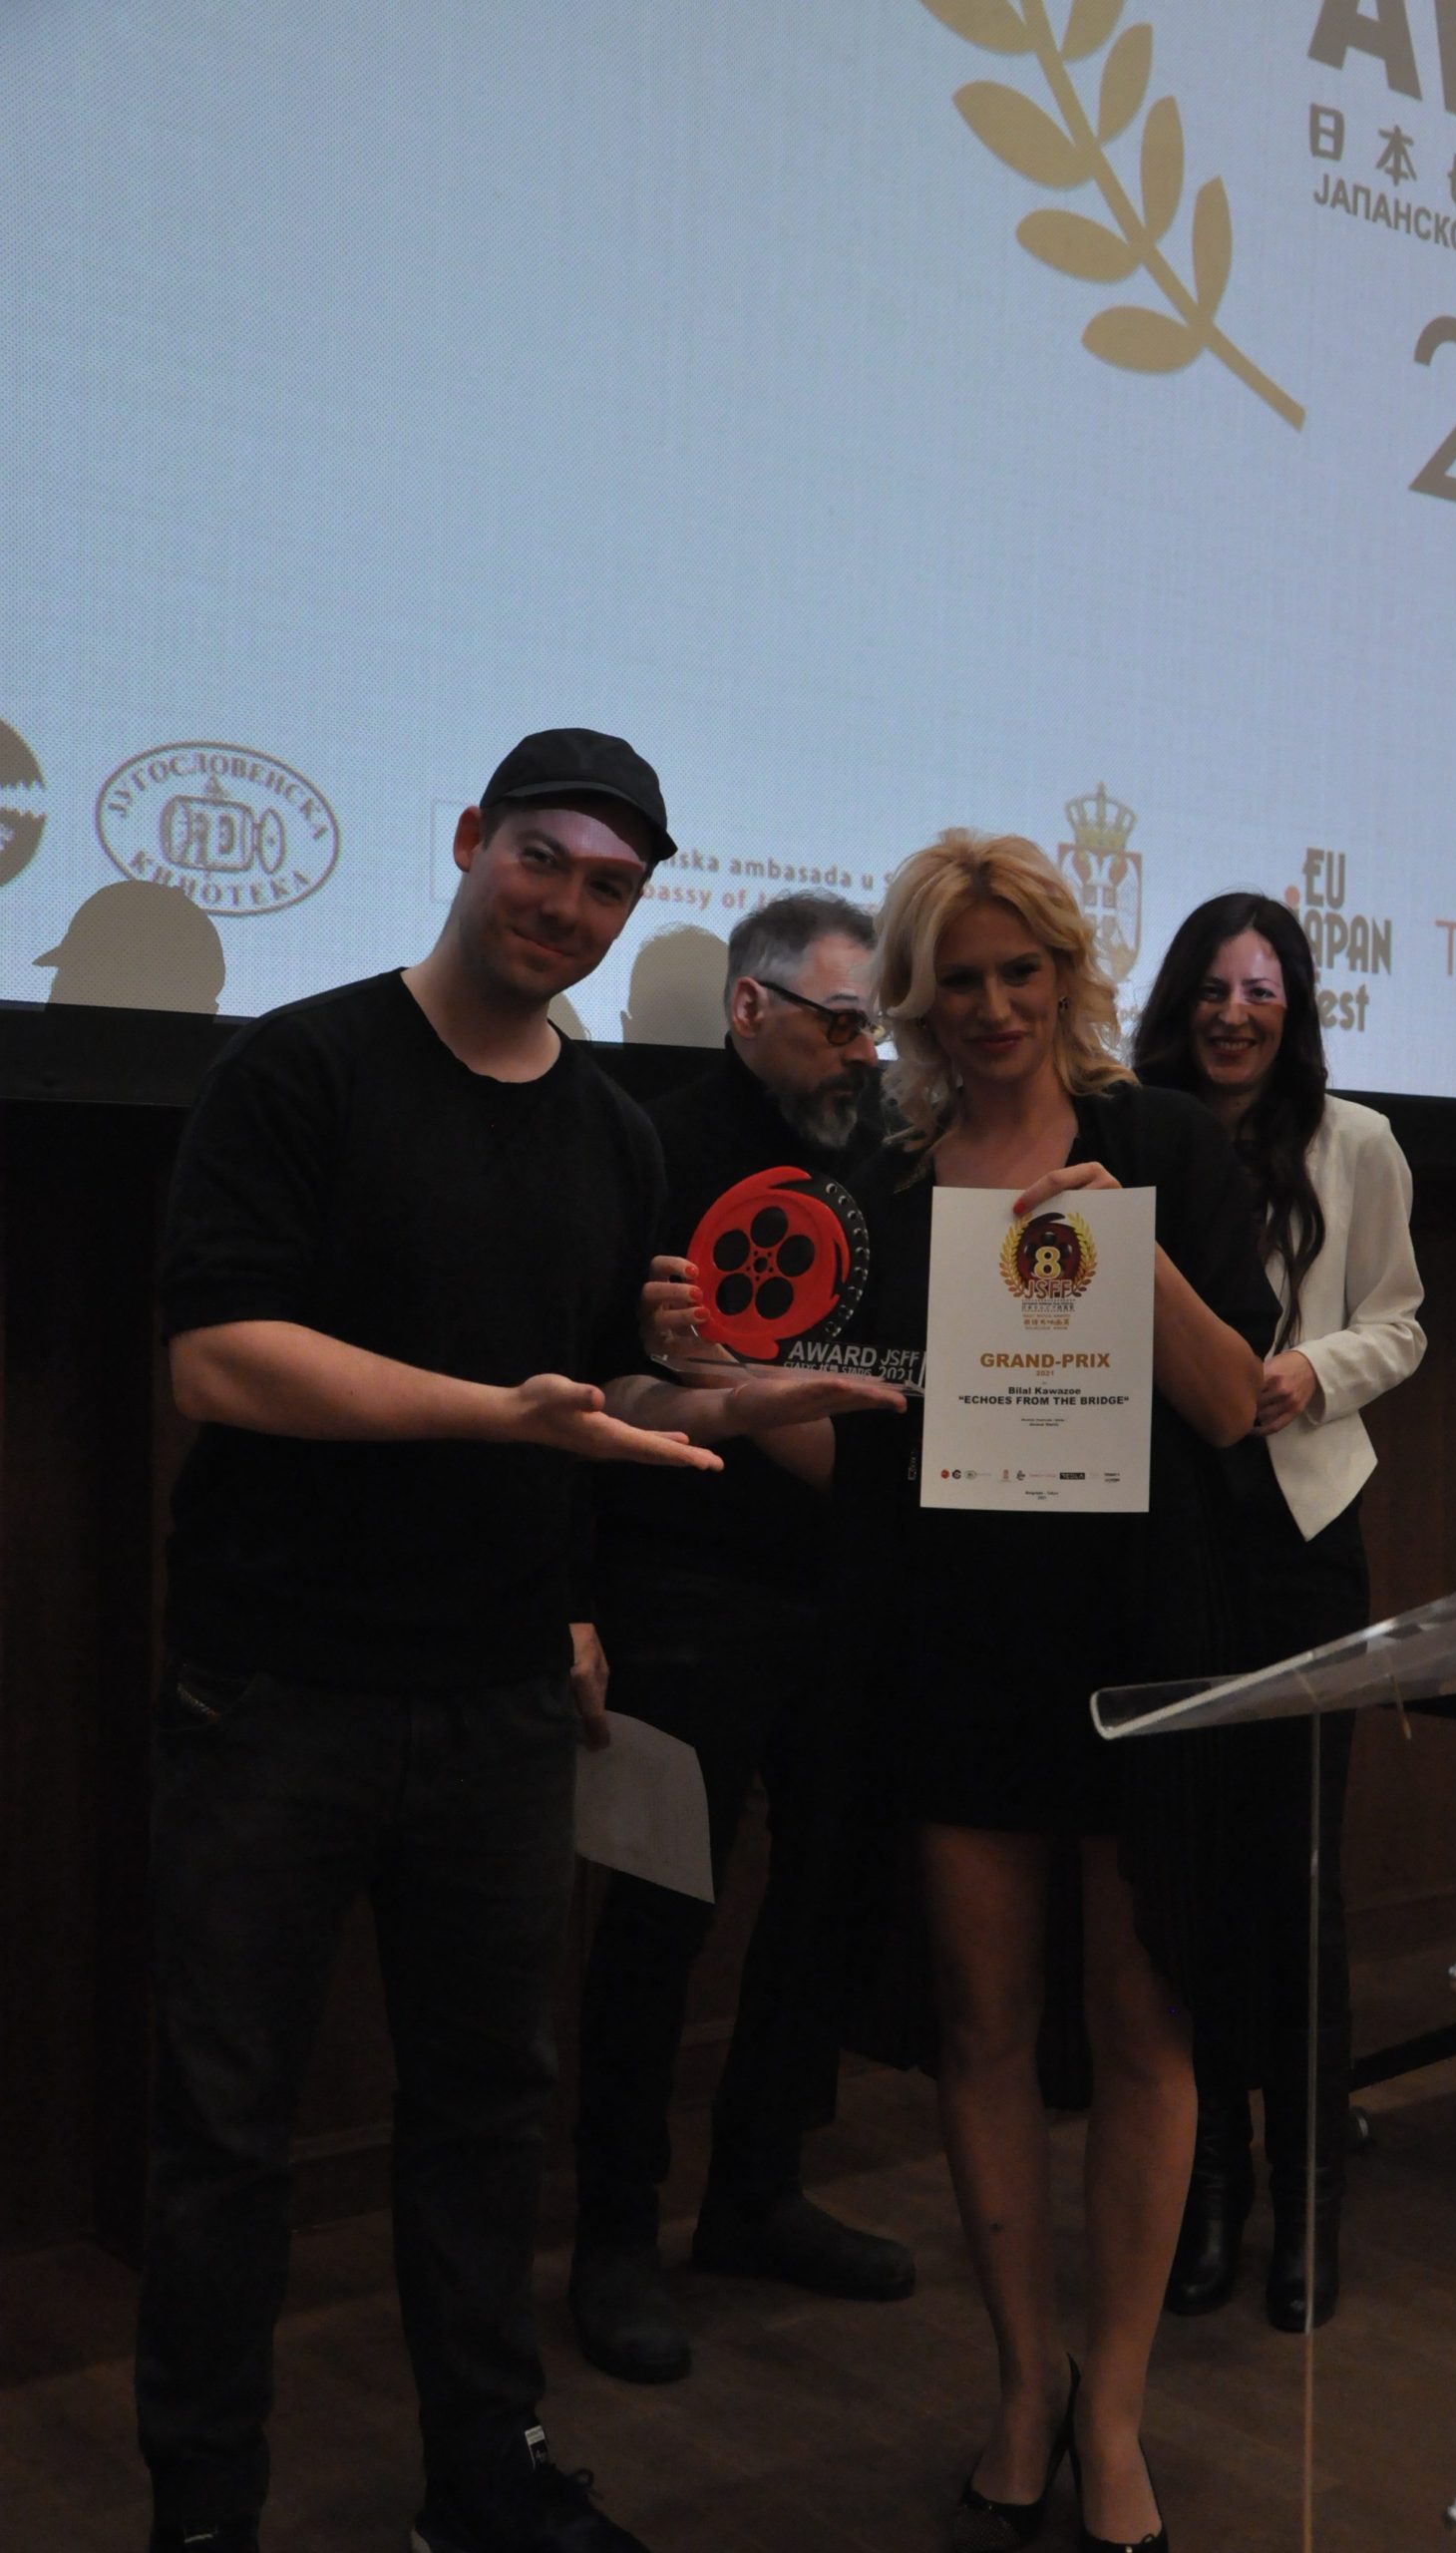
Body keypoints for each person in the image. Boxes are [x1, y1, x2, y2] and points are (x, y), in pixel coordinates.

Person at [138, 729, 900, 2553]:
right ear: (472, 839)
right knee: (226, 2132)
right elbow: (219, 1360)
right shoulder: (300, 1065)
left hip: (498, 1699)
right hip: (276, 1692)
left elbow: (602, 1399)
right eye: (541, 857)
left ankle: (485, 2483)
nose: (566, 903)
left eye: (609, 885)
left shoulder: (611, 1133)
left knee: (488, 2115)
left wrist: (733, 1402)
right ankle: (205, 2512)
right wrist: (498, 1415)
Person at [808, 832, 1275, 2553]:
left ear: (1069, 978)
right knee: (981, 2022)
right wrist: (736, 1378)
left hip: (1139, 1636)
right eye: (962, 980)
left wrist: (1125, 1260)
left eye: (1024, 972)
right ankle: (1024, 2388)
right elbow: (854, 1460)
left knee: (1146, 2025)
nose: (995, 1006)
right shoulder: (884, 1185)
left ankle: (1118, 2410)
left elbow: (1232, 1406)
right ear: (917, 999)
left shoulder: (1165, 1146)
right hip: (956, 1645)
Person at [568, 892, 915, 2384]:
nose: (866, 1051)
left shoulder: (896, 1157)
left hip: (857, 1584)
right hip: (683, 1583)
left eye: (877, 1025)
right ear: (749, 1009)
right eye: (840, 1022)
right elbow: (592, 1386)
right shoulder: (649, 1150)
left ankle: (758, 2194)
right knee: (659, 1917)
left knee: (827, 1904)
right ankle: (611, 2235)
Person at [1132, 892, 1425, 2333]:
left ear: (1295, 1009)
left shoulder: (1355, 1141)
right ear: (1178, 1002)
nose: (1234, 1013)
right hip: (1162, 1537)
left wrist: (1314, 1372)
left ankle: (1309, 2208)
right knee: (1185, 1885)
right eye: (1213, 988)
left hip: (1302, 1535)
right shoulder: (1129, 1136)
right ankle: (1210, 2195)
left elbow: (1402, 1319)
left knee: (1296, 1886)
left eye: (1261, 991)